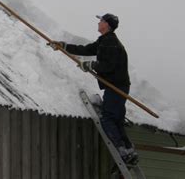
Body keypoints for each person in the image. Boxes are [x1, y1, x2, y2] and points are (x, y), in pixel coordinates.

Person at [49, 13, 138, 165]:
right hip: (118, 86)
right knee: (116, 119)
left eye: (101, 20)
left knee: (108, 118)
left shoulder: (111, 42)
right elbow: (86, 50)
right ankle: (128, 149)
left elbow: (109, 65)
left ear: (107, 25)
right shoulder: (104, 40)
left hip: (116, 87)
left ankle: (122, 150)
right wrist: (63, 46)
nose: (98, 22)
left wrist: (91, 65)